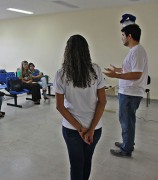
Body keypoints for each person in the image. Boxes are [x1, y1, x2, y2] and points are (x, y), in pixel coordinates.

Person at [54, 34, 106, 180]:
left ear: (67, 52)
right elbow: (102, 102)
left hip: (71, 129)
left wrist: (80, 128)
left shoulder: (61, 74)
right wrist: (90, 129)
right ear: (86, 51)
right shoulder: (96, 70)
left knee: (76, 164)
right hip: (95, 128)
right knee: (87, 161)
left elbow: (59, 106)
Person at [104, 24, 148, 157]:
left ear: (129, 36)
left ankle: (126, 149)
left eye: (123, 35)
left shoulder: (137, 51)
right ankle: (127, 143)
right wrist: (117, 70)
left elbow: (136, 74)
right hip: (128, 92)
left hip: (130, 93)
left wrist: (115, 75)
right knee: (127, 120)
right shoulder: (134, 51)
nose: (121, 38)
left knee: (126, 120)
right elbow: (130, 70)